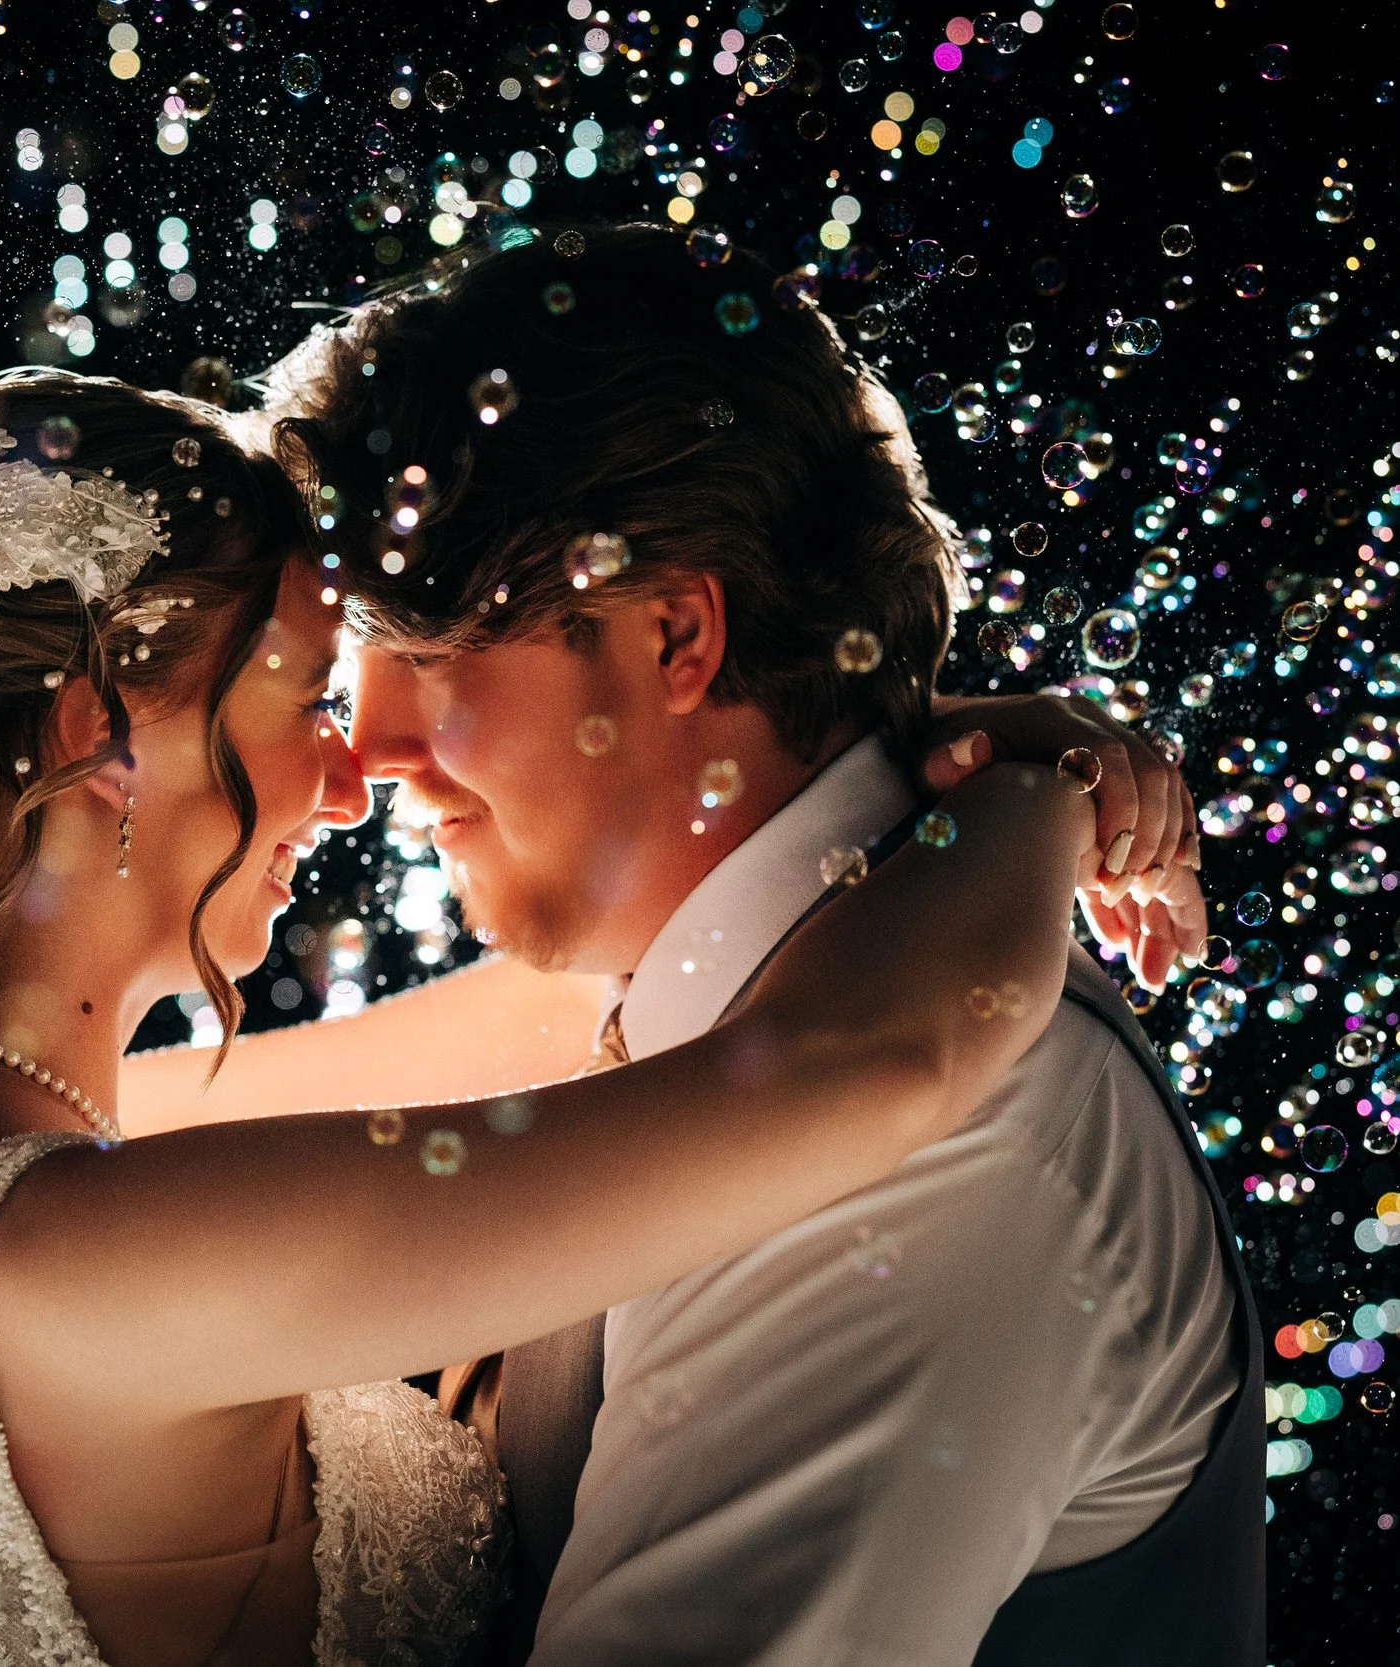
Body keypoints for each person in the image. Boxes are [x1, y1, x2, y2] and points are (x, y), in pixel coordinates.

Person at [0, 368, 1191, 1667]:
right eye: (308, 699)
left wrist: (902, 760)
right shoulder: (88, 1253)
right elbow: (865, 1067)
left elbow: (572, 1016)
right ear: (100, 730)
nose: (345, 775)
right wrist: (1032, 798)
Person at [128, 222, 1256, 1667]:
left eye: (424, 645)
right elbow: (117, 1139)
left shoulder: (935, 1158)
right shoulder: (694, 1001)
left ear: (676, 636)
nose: (378, 750)